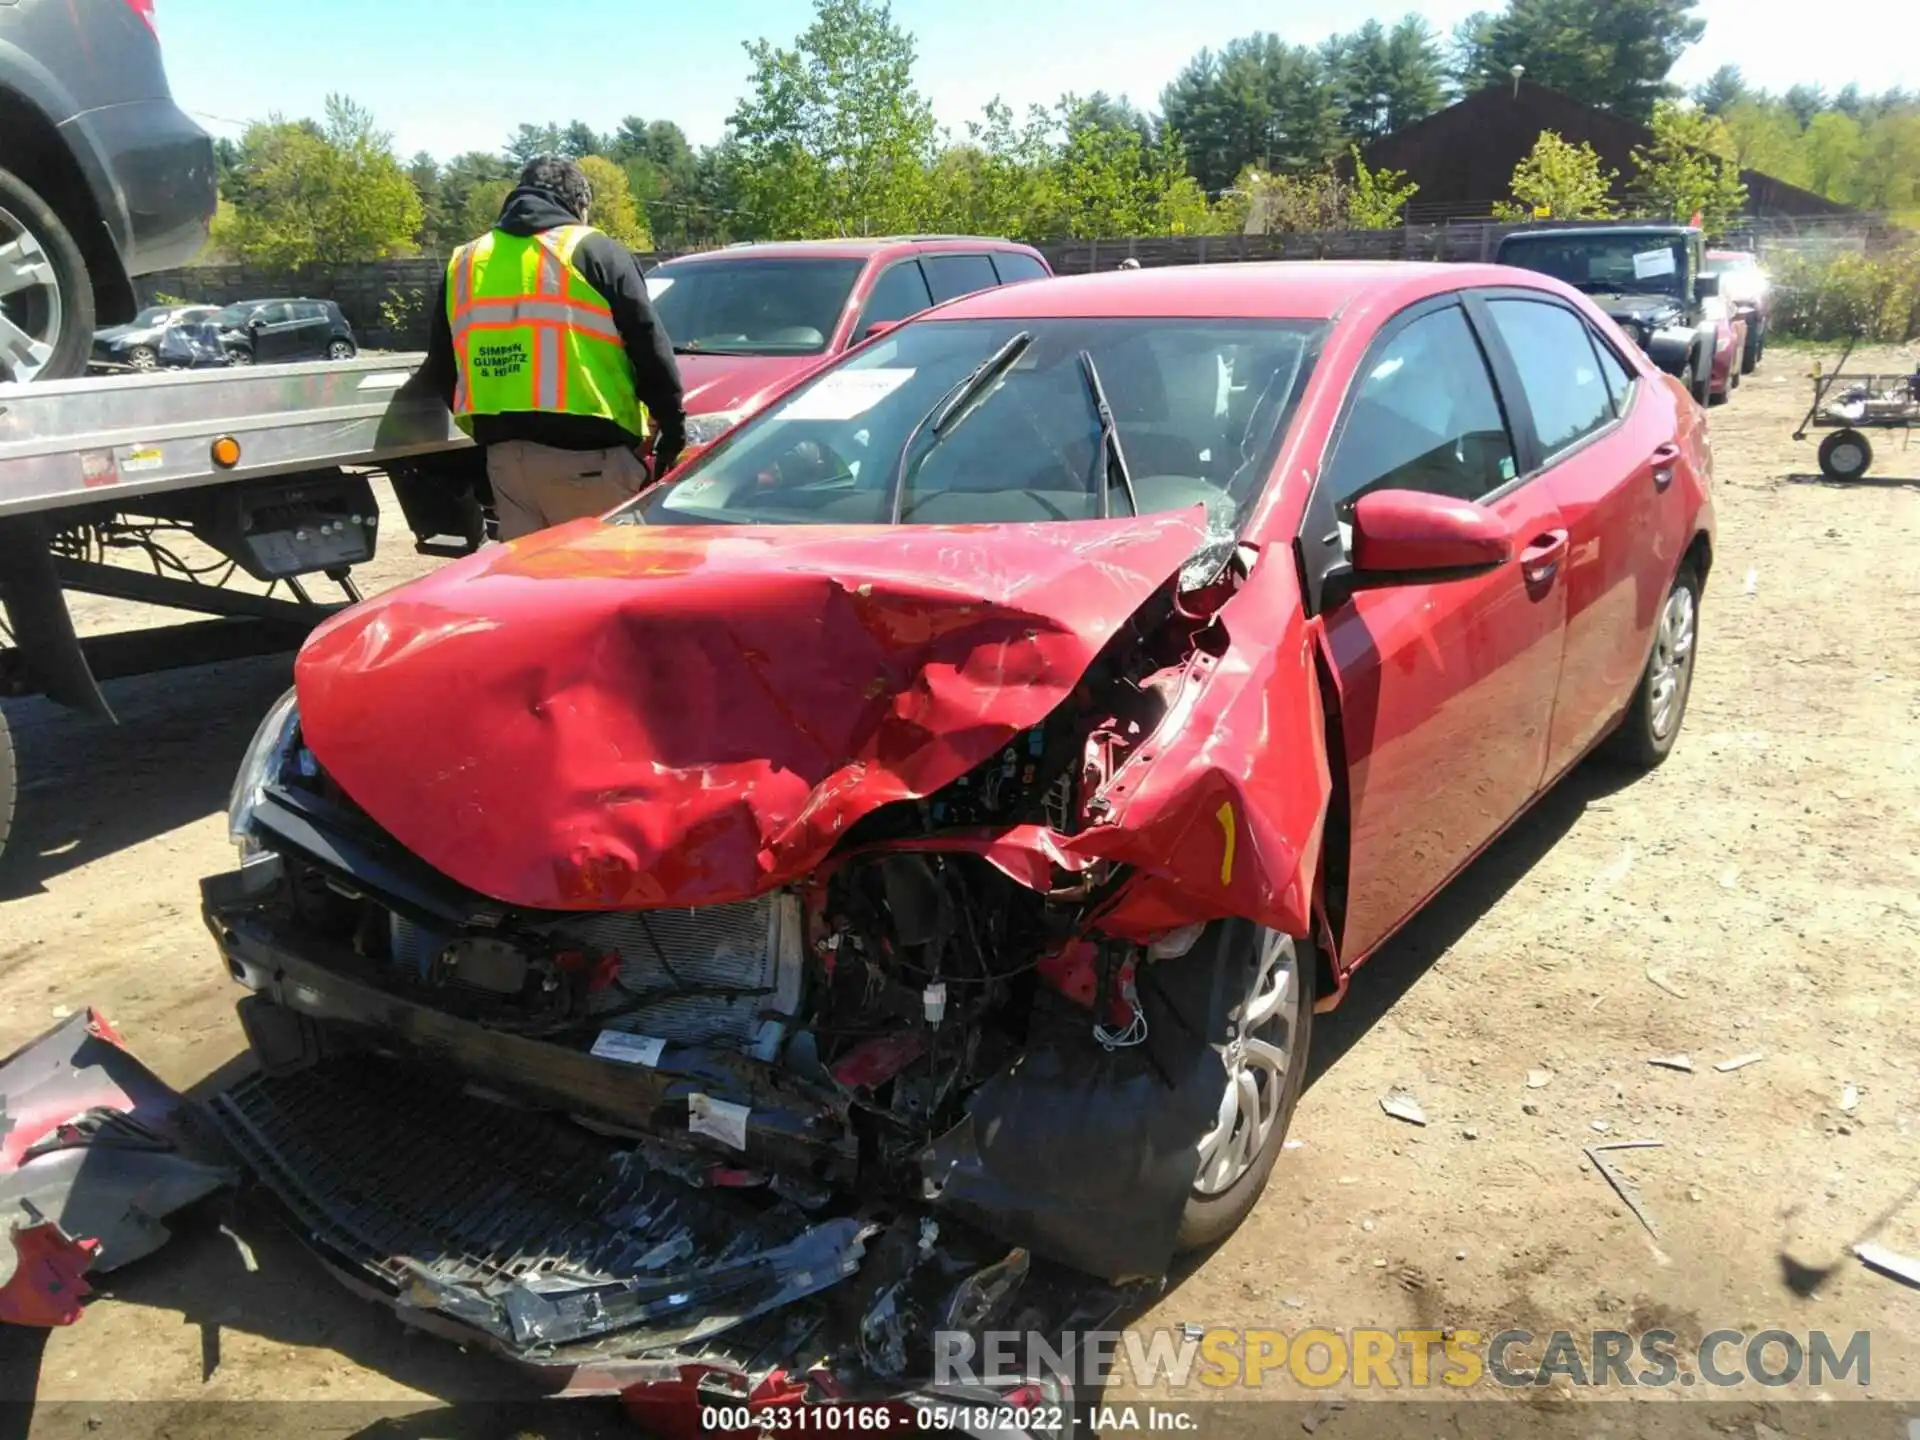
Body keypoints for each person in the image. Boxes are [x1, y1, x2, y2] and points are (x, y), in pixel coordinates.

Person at [414, 156, 686, 540]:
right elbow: (649, 348)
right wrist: (672, 424)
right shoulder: (594, 251)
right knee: (603, 586)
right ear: (579, 203)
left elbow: (443, 366)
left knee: (536, 591)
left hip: (506, 462)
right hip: (590, 461)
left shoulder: (465, 260)